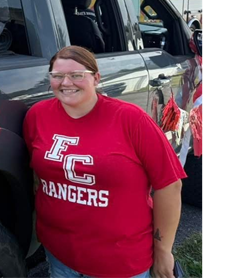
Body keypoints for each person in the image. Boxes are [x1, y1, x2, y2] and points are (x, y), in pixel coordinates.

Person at [23, 46, 186, 278]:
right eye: (57, 76)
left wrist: (163, 251)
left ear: (96, 78)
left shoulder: (131, 119)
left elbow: (169, 185)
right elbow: (38, 175)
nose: (66, 82)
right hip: (59, 254)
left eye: (77, 75)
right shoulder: (37, 115)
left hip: (120, 263)